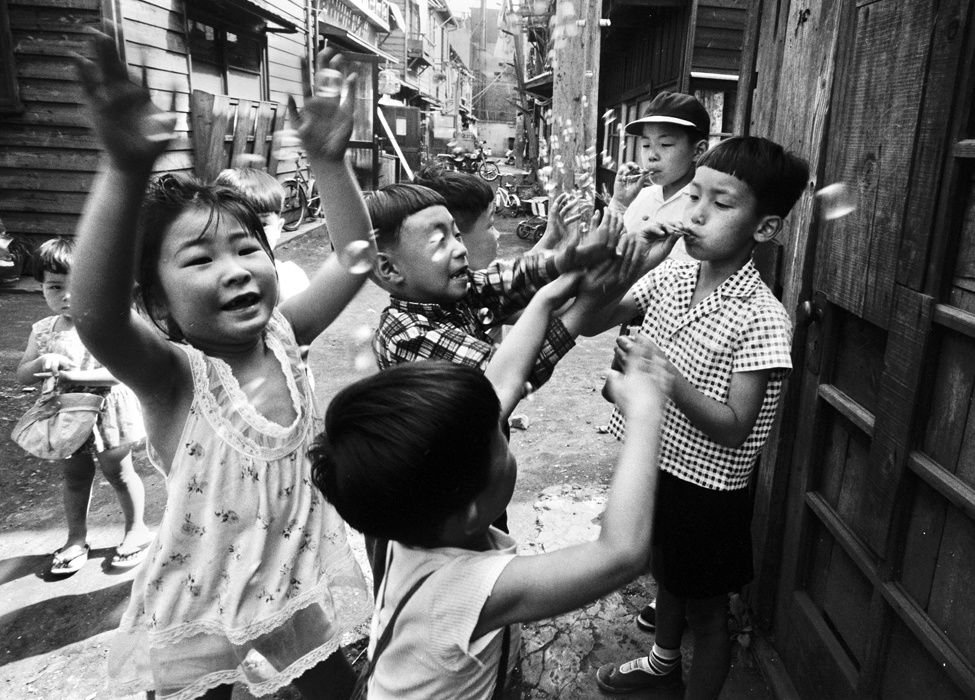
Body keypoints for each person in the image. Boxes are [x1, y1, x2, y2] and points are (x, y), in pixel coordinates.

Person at [70, 33, 372, 699]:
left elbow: (355, 257)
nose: (234, 269)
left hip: (292, 580)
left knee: (338, 693)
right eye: (199, 259)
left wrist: (329, 159)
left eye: (245, 248)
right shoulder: (174, 377)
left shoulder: (286, 335)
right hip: (197, 602)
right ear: (156, 301)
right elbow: (94, 315)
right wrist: (122, 170)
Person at [310, 325, 672, 698]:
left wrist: (549, 297)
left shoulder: (401, 513)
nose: (503, 424)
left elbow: (501, 384)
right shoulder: (464, 591)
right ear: (470, 511)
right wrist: (645, 411)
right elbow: (620, 554)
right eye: (502, 444)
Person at [588, 136, 809, 698]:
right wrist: (628, 262)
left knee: (708, 613)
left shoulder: (762, 317)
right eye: (693, 196)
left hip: (708, 492)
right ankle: (663, 662)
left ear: (765, 228)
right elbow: (591, 322)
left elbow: (736, 426)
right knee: (665, 576)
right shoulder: (671, 274)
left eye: (722, 203)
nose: (697, 214)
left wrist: (666, 380)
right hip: (655, 465)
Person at [16, 237, 151, 575]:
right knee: (74, 477)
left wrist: (75, 374)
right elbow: (22, 374)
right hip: (64, 413)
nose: (66, 295)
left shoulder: (111, 323)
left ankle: (136, 530)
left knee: (118, 472)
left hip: (109, 411)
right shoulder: (43, 330)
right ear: (41, 288)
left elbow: (125, 370)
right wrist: (40, 364)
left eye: (77, 285)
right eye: (54, 287)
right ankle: (76, 538)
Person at [609, 91, 711, 263]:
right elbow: (607, 253)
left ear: (698, 150)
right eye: (646, 145)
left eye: (665, 144)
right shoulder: (638, 198)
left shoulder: (704, 208)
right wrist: (619, 204)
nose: (651, 155)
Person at [213, 167, 310, 301]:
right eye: (237, 224)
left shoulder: (290, 278)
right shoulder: (210, 280)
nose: (250, 235)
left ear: (279, 228)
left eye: (263, 224)